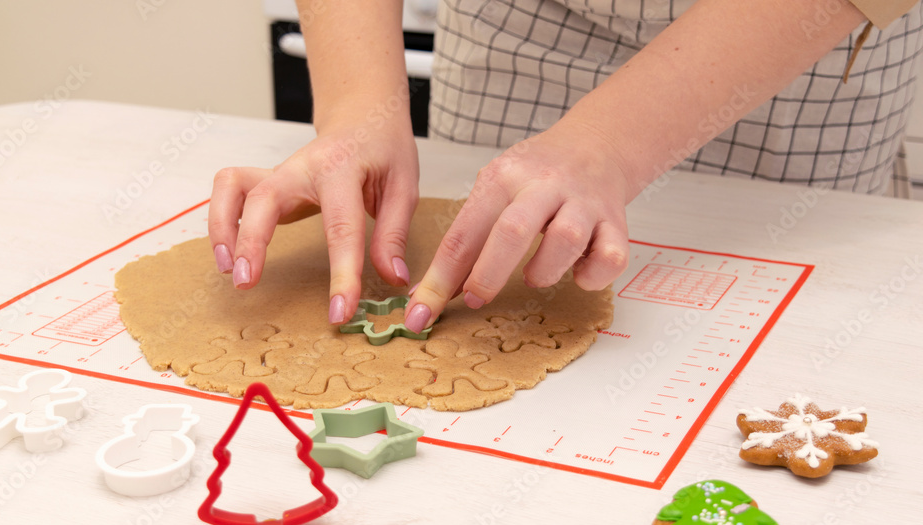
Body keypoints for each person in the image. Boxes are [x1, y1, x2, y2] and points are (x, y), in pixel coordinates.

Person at [208, 0, 921, 334]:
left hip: (786, 39)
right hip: (517, 22)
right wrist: (358, 104)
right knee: (490, 271)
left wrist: (607, 145)